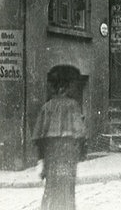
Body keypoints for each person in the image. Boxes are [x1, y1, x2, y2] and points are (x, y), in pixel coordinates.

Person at [32, 65, 87, 210]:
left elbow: (39, 138)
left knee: (51, 187)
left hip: (51, 155)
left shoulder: (47, 107)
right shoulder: (73, 106)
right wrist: (80, 154)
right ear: (66, 87)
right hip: (68, 154)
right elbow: (80, 135)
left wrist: (41, 160)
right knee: (67, 188)